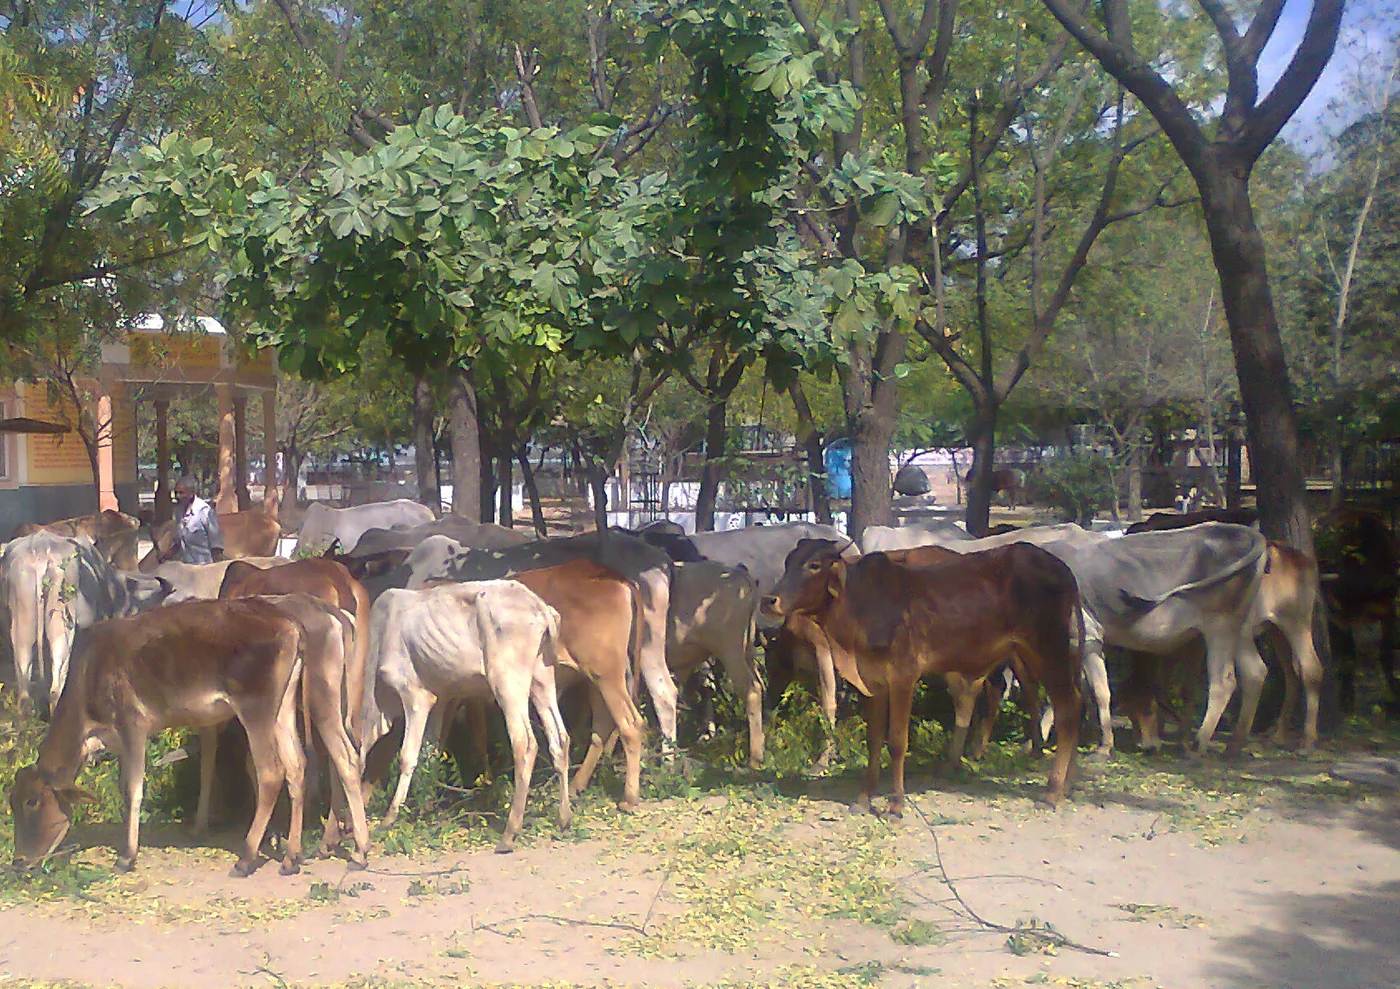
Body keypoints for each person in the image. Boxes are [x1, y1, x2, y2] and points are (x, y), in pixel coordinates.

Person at [172, 475, 225, 564]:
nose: (178, 496)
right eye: (176, 493)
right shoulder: (178, 512)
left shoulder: (204, 511)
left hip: (204, 567)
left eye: (181, 493)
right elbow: (179, 543)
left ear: (192, 493)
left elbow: (216, 545)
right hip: (186, 567)